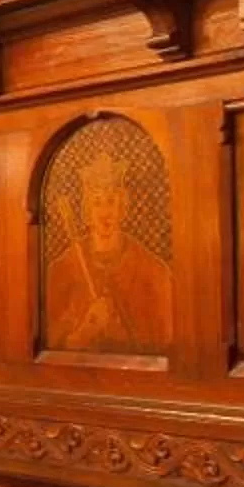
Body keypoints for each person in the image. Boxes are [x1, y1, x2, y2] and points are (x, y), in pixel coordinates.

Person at [43, 134, 171, 354]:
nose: (105, 213)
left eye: (111, 201)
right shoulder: (62, 271)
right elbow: (54, 341)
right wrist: (85, 331)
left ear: (123, 207)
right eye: (97, 202)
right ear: (86, 211)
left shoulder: (152, 271)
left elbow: (167, 341)